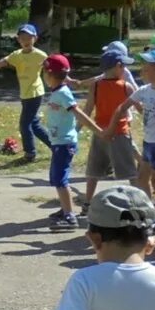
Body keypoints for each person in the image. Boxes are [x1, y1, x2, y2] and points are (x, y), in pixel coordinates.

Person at [108, 49, 155, 230]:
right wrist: (111, 127)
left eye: (147, 68)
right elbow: (122, 107)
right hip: (148, 142)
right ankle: (148, 214)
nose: (143, 72)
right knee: (142, 180)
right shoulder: (143, 90)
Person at [0, 23, 53, 163]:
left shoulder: (40, 55)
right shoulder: (16, 55)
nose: (26, 40)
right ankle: (57, 147)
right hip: (25, 94)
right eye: (22, 37)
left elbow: (53, 68)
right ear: (18, 40)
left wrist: (64, 81)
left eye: (29, 37)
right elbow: (0, 63)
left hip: (35, 93)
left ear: (35, 38)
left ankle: (30, 154)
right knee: (34, 124)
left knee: (24, 124)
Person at [42, 54, 103, 230]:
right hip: (58, 142)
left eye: (45, 73)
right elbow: (65, 77)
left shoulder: (63, 93)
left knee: (60, 180)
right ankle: (64, 209)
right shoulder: (58, 90)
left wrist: (98, 131)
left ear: (50, 74)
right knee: (56, 177)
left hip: (64, 143)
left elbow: (80, 113)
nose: (44, 76)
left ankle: (70, 217)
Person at [82, 49, 139, 210]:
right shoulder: (125, 86)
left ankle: (87, 202)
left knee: (93, 171)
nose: (124, 71)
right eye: (123, 67)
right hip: (120, 133)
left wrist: (78, 128)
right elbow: (140, 107)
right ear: (117, 66)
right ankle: (138, 201)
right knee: (130, 171)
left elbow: (87, 109)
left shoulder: (96, 86)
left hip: (100, 133)